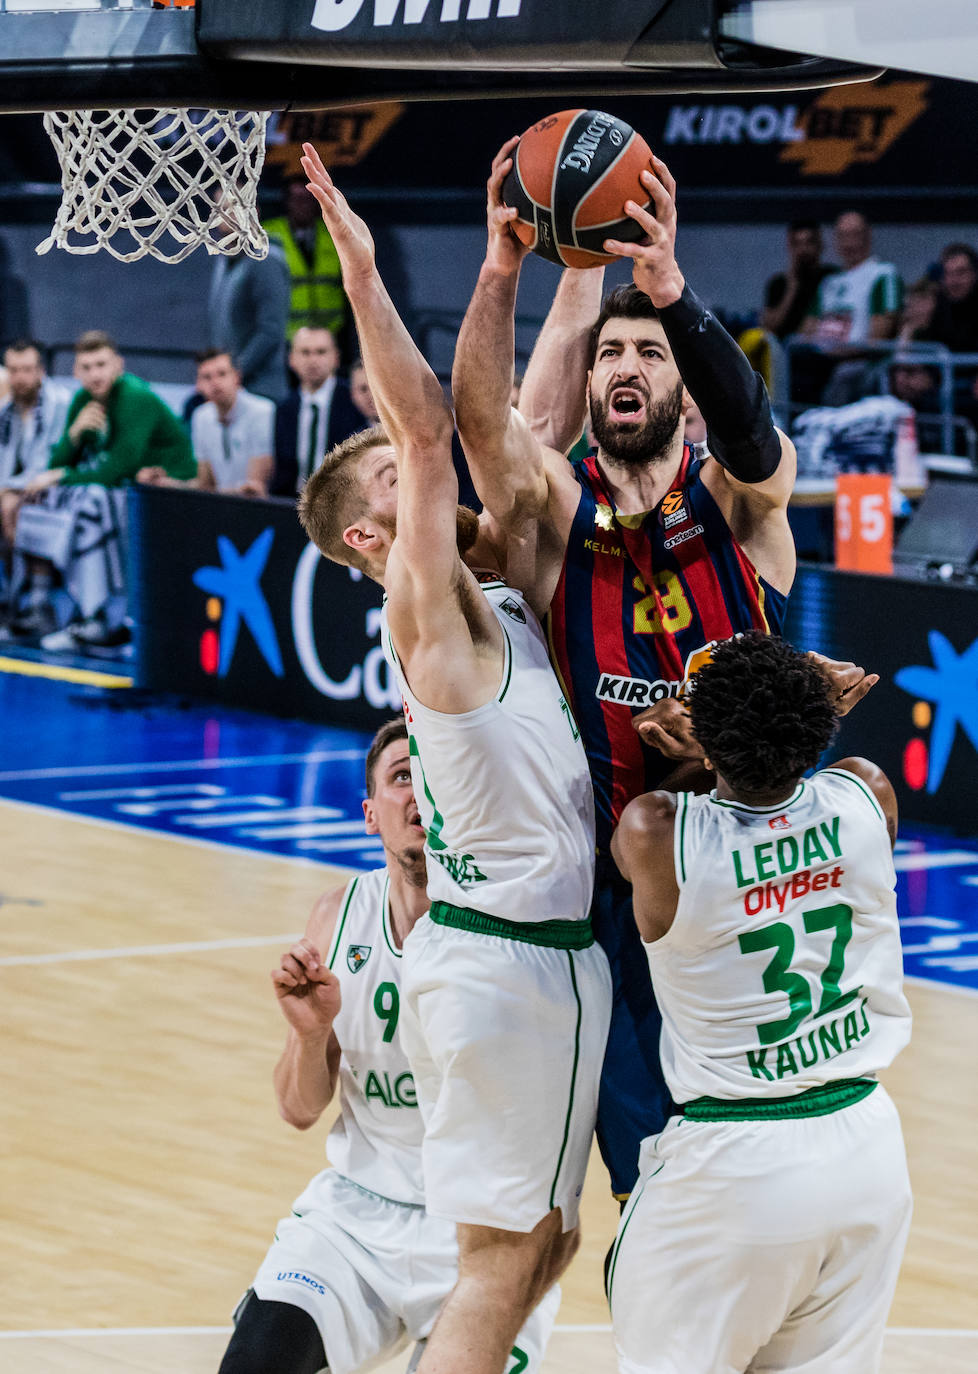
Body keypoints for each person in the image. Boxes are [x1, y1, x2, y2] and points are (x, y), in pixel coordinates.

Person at [453, 142, 875, 1202]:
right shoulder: (555, 524)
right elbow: (482, 431)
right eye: (610, 356)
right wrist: (504, 269)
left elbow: (759, 439)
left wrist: (672, 294)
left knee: (766, 1175)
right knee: (651, 1188)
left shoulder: (741, 507)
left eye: (649, 354)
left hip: (757, 883)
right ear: (591, 383)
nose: (627, 367)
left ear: (683, 390)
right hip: (616, 903)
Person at [297, 143, 611, 1374]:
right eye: (393, 475)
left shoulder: (500, 593)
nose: (416, 459)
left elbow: (518, 421)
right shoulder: (424, 606)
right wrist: (365, 274)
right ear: (375, 532)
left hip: (516, 967)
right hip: (508, 970)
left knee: (535, 1253)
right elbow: (433, 430)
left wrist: (527, 269)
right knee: (500, 1265)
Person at [609, 632, 912, 1374]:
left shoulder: (659, 833)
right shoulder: (865, 792)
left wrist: (692, 745)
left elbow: (640, 817)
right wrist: (792, 703)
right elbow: (787, 753)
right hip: (864, 1147)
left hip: (733, 1161)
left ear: (707, 744)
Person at [218, 719, 560, 1374]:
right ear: (371, 814)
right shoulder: (338, 914)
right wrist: (310, 1033)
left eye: (435, 775)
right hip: (355, 1220)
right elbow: (297, 1109)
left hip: (485, 1237)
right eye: (403, 776)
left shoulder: (519, 925)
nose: (421, 791)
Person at [5, 330, 195, 647]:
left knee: (91, 501)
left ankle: (99, 616)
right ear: (76, 372)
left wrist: (61, 477)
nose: (95, 374)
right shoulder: (82, 401)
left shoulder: (135, 396)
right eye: (87, 367)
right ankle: (40, 606)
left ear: (118, 365)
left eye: (101, 364)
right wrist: (75, 435)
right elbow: (59, 463)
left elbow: (115, 469)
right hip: (129, 490)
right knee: (39, 498)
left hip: (169, 491)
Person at [270, 326, 364, 497]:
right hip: (292, 504)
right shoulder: (284, 409)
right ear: (291, 359)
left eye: (321, 352)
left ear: (336, 357)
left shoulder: (355, 401)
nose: (313, 360)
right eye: (305, 352)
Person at [0, 340, 71, 555]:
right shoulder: (7, 409)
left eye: (27, 370)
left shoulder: (59, 404)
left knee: (11, 505)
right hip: (19, 483)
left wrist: (5, 489)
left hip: (56, 481)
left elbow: (46, 463)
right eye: (13, 370)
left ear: (41, 371)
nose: (20, 378)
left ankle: (32, 585)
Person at [264, 175, 347, 342]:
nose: (301, 204)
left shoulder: (334, 235)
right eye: (296, 198)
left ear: (316, 203)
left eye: (307, 199)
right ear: (287, 202)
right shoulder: (268, 234)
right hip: (284, 335)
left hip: (332, 331)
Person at [209, 235, 291, 403]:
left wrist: (235, 371)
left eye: (232, 210)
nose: (225, 218)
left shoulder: (266, 259)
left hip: (261, 388)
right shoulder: (225, 259)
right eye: (220, 210)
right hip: (231, 384)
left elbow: (271, 329)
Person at [804, 211, 903, 348]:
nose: (848, 243)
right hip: (824, 364)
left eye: (855, 235)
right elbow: (807, 331)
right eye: (843, 236)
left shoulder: (883, 273)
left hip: (863, 365)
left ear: (868, 236)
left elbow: (881, 334)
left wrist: (843, 352)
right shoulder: (828, 282)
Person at [183, 350, 275, 496]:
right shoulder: (201, 416)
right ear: (198, 384)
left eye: (222, 374)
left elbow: (254, 489)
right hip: (220, 506)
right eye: (207, 377)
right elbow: (204, 483)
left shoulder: (263, 411)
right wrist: (166, 483)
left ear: (237, 377)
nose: (215, 382)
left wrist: (216, 493)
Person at [760, 219, 836, 342]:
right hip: (786, 351)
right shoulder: (779, 283)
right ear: (790, 247)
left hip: (823, 347)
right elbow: (769, 327)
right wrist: (791, 287)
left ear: (820, 245)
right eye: (797, 244)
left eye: (808, 242)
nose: (803, 249)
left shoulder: (832, 277)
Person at [349, 355, 380, 424]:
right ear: (352, 395)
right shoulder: (350, 434)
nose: (371, 395)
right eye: (363, 389)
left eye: (377, 388)